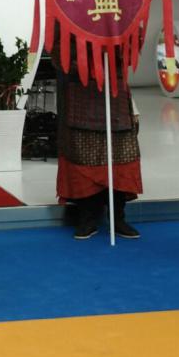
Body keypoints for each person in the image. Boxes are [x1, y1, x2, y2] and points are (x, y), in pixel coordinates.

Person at [56, 44, 142, 240]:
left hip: (115, 93)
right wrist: (87, 58)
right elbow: (60, 55)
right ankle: (87, 219)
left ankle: (118, 218)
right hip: (81, 93)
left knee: (119, 158)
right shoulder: (69, 28)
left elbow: (131, 51)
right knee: (83, 158)